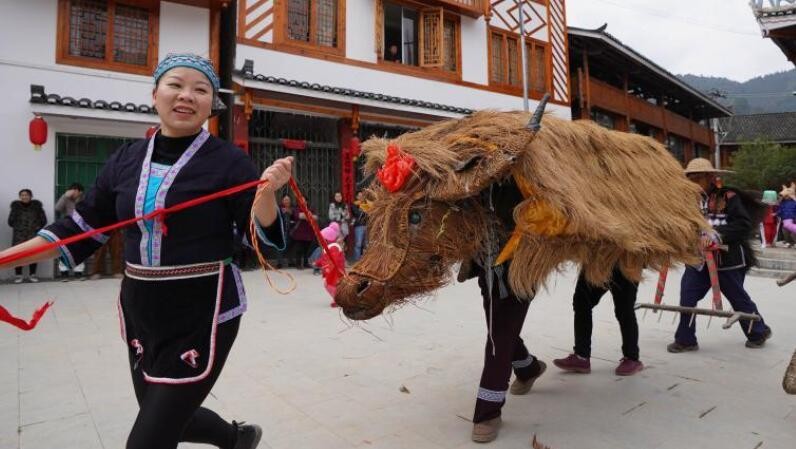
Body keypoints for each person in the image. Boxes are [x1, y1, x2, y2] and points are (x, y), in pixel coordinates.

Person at [0, 53, 292, 449]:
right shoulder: (125, 160)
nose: (187, 95)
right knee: (166, 414)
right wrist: (5, 259)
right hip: (142, 309)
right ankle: (236, 438)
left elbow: (264, 238)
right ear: (155, 94)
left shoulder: (230, 162)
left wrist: (266, 194)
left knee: (149, 438)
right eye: (175, 85)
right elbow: (77, 229)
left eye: (200, 89)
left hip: (202, 308)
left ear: (212, 104)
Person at [457, 179, 546, 443]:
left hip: (521, 270)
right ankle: (528, 368)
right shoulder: (478, 176)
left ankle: (487, 412)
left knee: (498, 339)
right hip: (487, 267)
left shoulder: (528, 173)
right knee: (500, 331)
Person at [668, 158, 772, 353]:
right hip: (698, 260)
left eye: (698, 178)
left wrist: (716, 236)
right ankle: (686, 339)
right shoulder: (689, 201)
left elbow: (743, 224)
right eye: (691, 178)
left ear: (709, 177)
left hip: (727, 260)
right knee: (687, 296)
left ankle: (758, 331)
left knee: (738, 298)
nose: (693, 182)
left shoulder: (729, 196)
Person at [553, 266, 644, 376]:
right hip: (597, 260)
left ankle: (632, 358)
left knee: (624, 309)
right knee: (582, 300)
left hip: (626, 260)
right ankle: (581, 356)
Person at [7, 189, 47, 283]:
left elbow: (43, 220)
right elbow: (10, 222)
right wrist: (19, 227)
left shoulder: (37, 207)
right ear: (20, 197)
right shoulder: (15, 207)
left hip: (33, 235)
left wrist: (36, 227)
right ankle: (18, 275)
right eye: (22, 195)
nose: (24, 197)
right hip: (19, 236)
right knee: (18, 255)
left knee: (33, 255)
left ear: (31, 196)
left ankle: (32, 275)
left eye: (26, 195)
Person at [55, 183, 86, 279]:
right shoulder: (65, 198)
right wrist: (64, 196)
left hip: (80, 227)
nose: (73, 192)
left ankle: (78, 272)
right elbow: (57, 208)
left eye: (75, 190)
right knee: (64, 249)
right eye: (72, 190)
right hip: (66, 227)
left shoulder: (84, 200)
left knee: (80, 249)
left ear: (80, 191)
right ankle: (64, 272)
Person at [314, 222, 345, 308]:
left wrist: (327, 268)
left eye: (322, 239)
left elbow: (332, 259)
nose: (320, 241)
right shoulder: (329, 247)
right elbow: (324, 259)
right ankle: (338, 298)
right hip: (333, 271)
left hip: (335, 272)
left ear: (326, 239)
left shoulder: (334, 247)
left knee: (329, 285)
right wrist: (318, 263)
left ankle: (338, 299)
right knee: (330, 285)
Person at [290, 205, 316, 269]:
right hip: (299, 233)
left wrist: (306, 215)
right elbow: (298, 216)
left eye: (305, 200)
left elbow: (315, 217)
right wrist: (309, 215)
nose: (304, 201)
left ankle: (305, 263)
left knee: (306, 250)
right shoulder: (296, 208)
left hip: (308, 233)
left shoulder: (310, 208)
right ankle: (298, 264)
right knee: (299, 250)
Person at [276, 195, 295, 268]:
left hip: (292, 230)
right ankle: (279, 263)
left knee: (290, 246)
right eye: (285, 200)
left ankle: (291, 261)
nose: (287, 201)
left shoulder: (293, 208)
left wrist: (290, 212)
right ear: (282, 201)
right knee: (280, 247)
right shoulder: (279, 208)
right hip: (281, 230)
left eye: (288, 200)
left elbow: (295, 217)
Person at [350, 191, 368, 262]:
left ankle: (365, 261)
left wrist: (364, 211)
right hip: (359, 226)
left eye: (362, 196)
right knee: (358, 244)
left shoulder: (366, 204)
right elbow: (357, 213)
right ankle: (357, 261)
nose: (361, 197)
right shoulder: (354, 204)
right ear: (357, 197)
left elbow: (369, 213)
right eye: (359, 196)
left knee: (366, 244)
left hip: (366, 225)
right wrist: (364, 211)